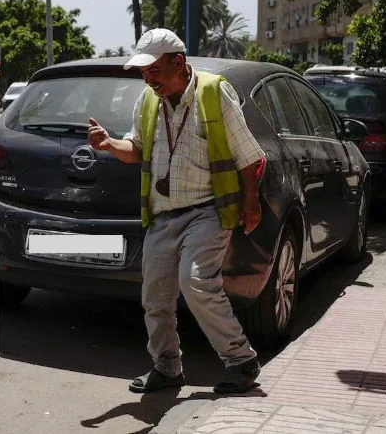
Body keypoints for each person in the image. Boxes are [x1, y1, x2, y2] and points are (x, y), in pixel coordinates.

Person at [87, 28, 265, 394]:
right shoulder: (148, 101)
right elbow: (136, 149)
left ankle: (241, 360)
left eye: (154, 70)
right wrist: (109, 145)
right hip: (164, 213)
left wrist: (251, 202)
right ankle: (167, 367)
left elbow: (248, 155)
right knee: (154, 295)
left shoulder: (214, 93)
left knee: (196, 280)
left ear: (178, 62)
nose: (148, 79)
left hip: (207, 211)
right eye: (143, 72)